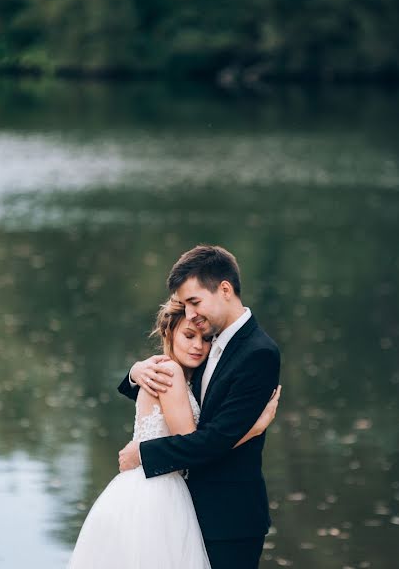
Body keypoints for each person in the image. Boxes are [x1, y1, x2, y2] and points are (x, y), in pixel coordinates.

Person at [67, 297, 280, 569]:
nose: (197, 346)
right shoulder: (170, 372)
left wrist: (134, 372)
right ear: (169, 333)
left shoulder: (184, 372)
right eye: (189, 335)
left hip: (157, 489)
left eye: (205, 339)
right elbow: (192, 443)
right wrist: (254, 429)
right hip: (158, 494)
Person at [118, 244, 281, 569]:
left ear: (224, 290)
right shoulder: (208, 341)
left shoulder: (257, 353)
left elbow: (213, 440)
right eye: (185, 305)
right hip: (185, 510)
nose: (191, 314)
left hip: (229, 520)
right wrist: (135, 374)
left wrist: (144, 453)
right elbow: (179, 405)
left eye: (194, 302)